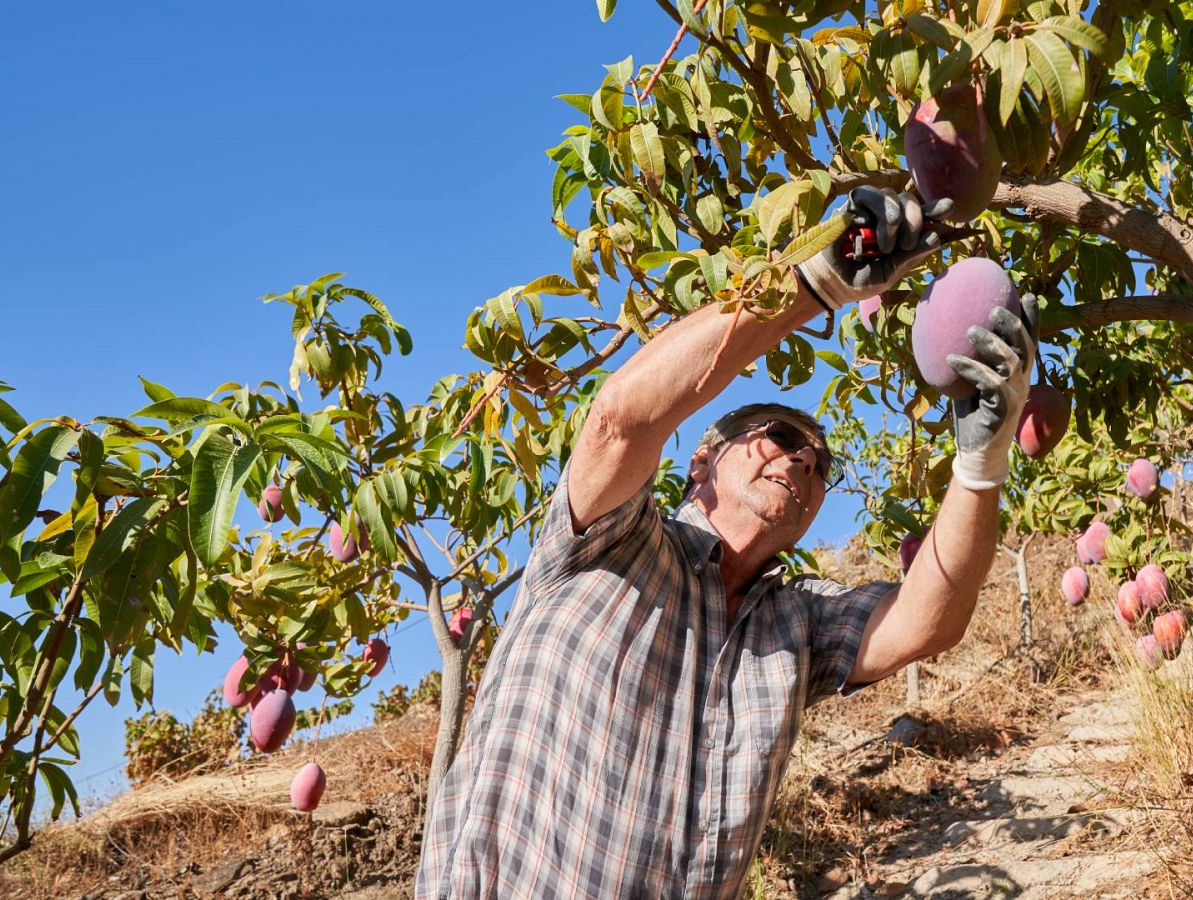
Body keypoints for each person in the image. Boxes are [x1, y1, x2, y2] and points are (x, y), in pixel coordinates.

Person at [414, 187, 1039, 899]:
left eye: (820, 464)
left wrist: (981, 461)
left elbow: (932, 618)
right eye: (780, 437)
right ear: (702, 460)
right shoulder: (610, 542)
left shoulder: (793, 626)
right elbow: (619, 420)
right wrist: (813, 281)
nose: (804, 459)